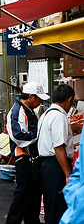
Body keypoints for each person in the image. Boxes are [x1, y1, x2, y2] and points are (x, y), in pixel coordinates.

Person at [5, 81, 49, 224]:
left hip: (32, 160)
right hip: (24, 159)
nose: (40, 101)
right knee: (23, 194)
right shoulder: (17, 110)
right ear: (31, 97)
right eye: (39, 98)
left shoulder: (29, 110)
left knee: (33, 195)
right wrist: (38, 136)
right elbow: (18, 136)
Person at [37, 84, 75, 224]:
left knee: (50, 206)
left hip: (46, 166)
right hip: (55, 165)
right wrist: (67, 174)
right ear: (69, 100)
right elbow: (59, 148)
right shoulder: (59, 116)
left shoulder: (45, 114)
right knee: (58, 207)